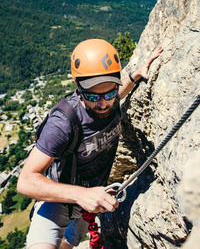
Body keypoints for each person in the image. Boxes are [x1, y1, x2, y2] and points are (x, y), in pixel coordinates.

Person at [17, 39, 163, 249]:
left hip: (93, 199)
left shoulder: (109, 102)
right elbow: (25, 181)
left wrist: (136, 75)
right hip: (59, 200)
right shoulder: (63, 122)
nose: (103, 104)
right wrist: (81, 195)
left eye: (109, 93)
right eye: (93, 95)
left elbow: (117, 96)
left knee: (70, 242)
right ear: (78, 86)